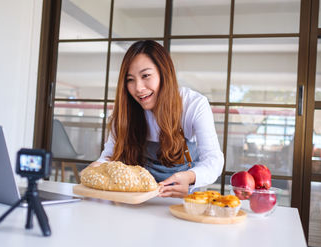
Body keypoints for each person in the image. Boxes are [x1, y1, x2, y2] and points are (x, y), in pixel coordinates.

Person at [87, 40, 224, 198]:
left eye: (146, 76)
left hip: (183, 199)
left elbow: (213, 160)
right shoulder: (126, 110)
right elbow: (110, 156)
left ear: (164, 74)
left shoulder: (193, 105)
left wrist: (191, 177)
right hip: (137, 198)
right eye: (130, 79)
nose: (138, 88)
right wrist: (97, 168)